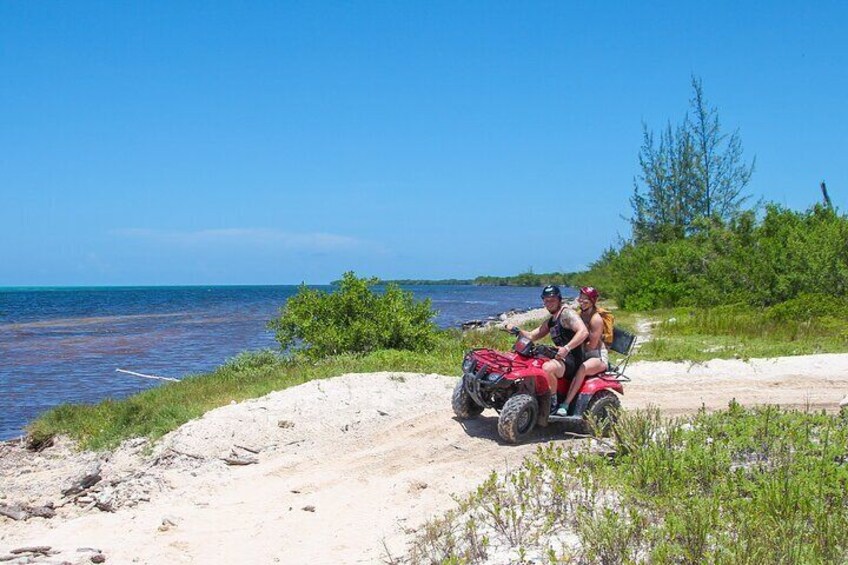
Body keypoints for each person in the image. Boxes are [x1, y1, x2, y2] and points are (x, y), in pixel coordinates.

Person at [505, 285, 588, 426]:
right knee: (530, 362)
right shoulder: (552, 320)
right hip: (559, 358)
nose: (549, 303)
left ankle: (553, 403)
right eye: (546, 300)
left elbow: (583, 332)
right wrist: (516, 330)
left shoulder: (567, 314)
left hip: (571, 360)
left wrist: (567, 348)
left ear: (559, 299)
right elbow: (533, 335)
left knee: (547, 368)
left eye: (552, 300)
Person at [557, 286, 608, 416]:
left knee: (582, 368)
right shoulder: (579, 315)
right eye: (581, 298)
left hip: (596, 356)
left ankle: (566, 404)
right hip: (582, 353)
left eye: (586, 299)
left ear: (592, 301)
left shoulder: (596, 319)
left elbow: (592, 345)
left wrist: (576, 342)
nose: (582, 300)